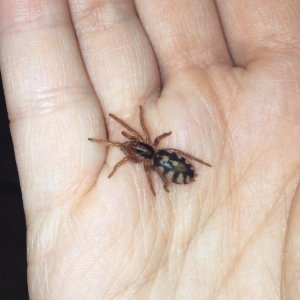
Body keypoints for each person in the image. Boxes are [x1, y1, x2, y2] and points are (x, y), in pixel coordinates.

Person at [0, 1, 299, 299]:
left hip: (163, 161)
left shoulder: (143, 153)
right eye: (132, 147)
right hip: (163, 160)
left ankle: (182, 170)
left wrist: (128, 160)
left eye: (132, 145)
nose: (129, 146)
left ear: (142, 145)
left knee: (158, 161)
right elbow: (138, 141)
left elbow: (132, 139)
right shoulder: (149, 149)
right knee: (161, 161)